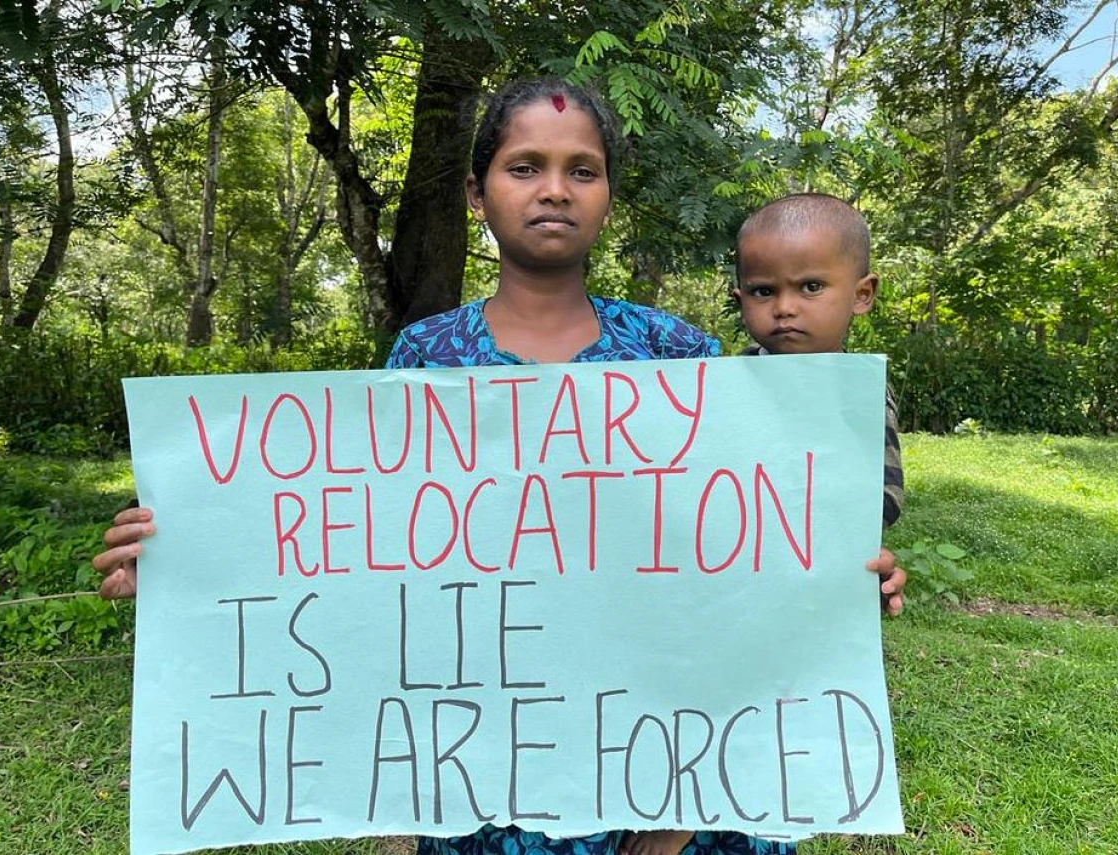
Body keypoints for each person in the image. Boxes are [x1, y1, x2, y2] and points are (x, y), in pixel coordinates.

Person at [93, 80, 906, 855]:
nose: (555, 189)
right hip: (487, 760)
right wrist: (186, 564)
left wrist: (833, 576)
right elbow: (367, 545)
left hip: (656, 773)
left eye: (581, 171)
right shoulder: (425, 356)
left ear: (608, 197)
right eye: (525, 167)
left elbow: (741, 547)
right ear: (477, 195)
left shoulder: (677, 355)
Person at [732, 193, 905, 536]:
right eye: (763, 292)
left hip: (824, 561)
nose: (784, 307)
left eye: (811, 287)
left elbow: (887, 498)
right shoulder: (726, 383)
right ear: (741, 300)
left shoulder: (860, 390)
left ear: (862, 295)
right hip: (738, 558)